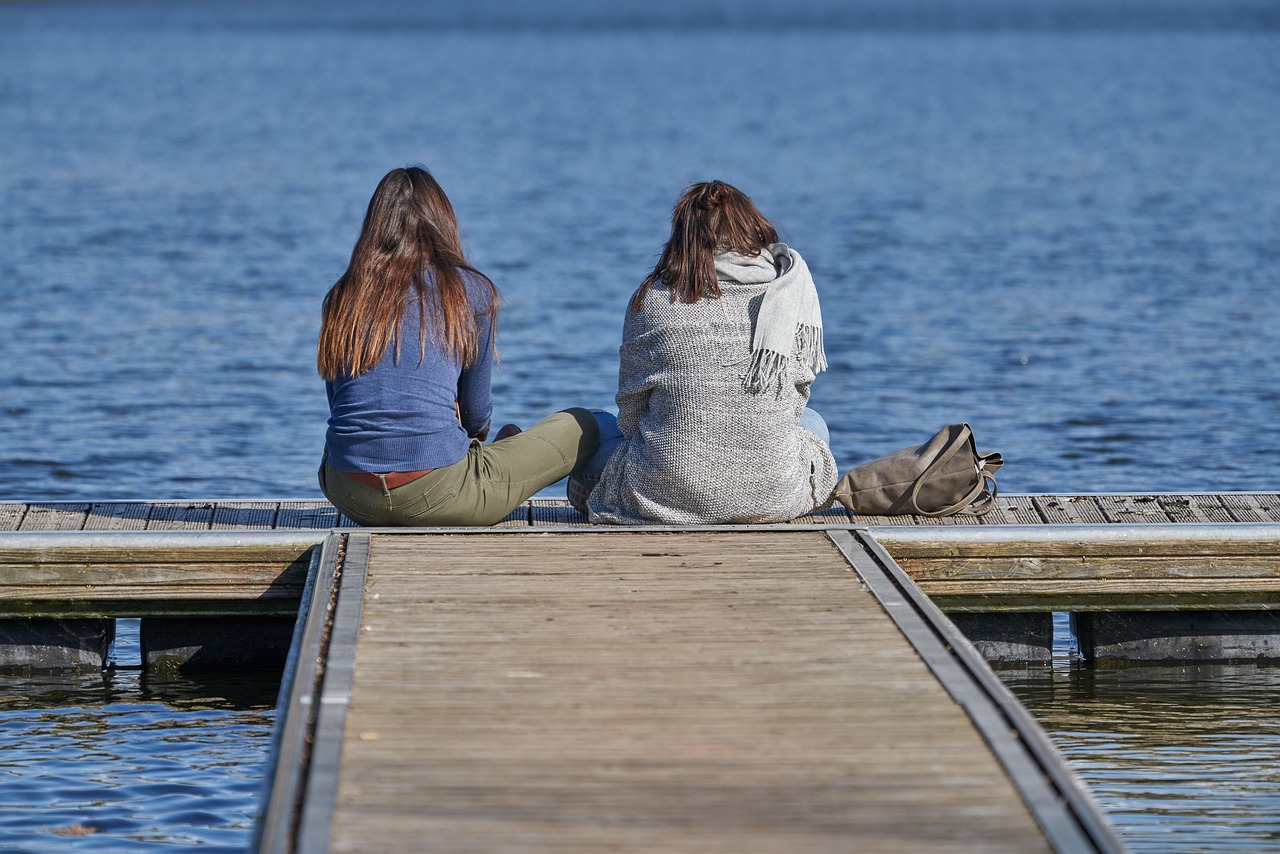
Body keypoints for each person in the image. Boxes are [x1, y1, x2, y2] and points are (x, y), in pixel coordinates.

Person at [317, 166, 599, 526]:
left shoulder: (343, 295)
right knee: (586, 424)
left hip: (348, 491)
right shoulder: (470, 290)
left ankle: (496, 456)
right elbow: (477, 417)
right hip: (439, 493)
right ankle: (507, 459)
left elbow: (342, 406)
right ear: (442, 221)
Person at [575, 180, 838, 525]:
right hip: (774, 496)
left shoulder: (655, 300)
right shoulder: (789, 293)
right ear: (754, 231)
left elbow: (631, 413)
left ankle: (594, 496)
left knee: (594, 425)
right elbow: (796, 400)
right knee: (813, 422)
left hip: (662, 496)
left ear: (683, 237)